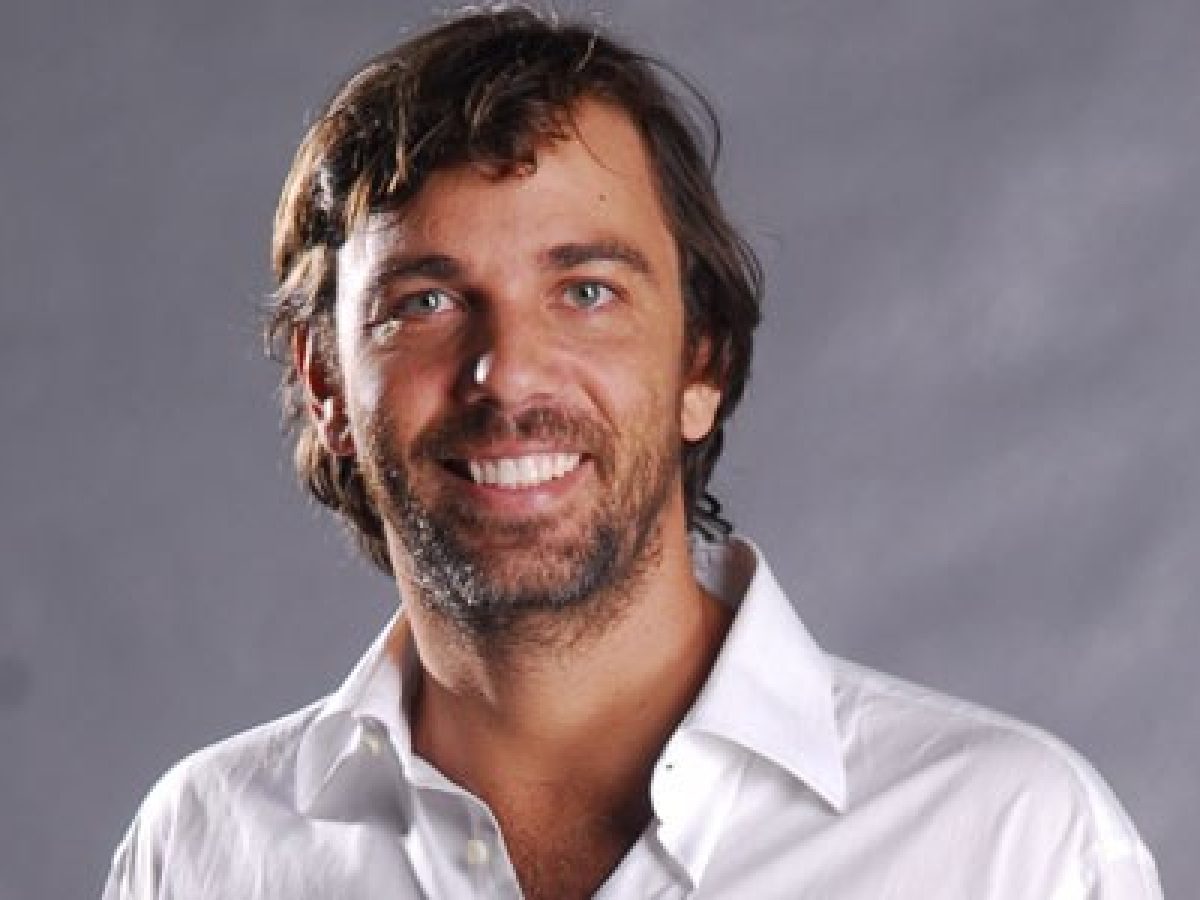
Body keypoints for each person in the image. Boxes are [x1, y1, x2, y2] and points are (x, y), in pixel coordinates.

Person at [103, 6, 1163, 899]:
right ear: (327, 385)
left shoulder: (1010, 845)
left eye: (586, 292)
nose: (507, 375)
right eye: (424, 302)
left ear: (703, 360)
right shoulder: (203, 851)